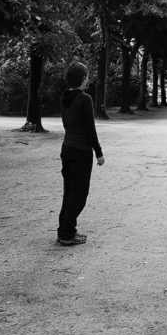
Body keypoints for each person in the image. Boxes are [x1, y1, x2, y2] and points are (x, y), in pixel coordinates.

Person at [57, 62, 105, 246]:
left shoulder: (65, 97)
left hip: (67, 148)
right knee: (79, 195)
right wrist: (99, 153)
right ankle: (67, 234)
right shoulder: (85, 99)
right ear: (82, 79)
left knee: (69, 192)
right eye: (86, 76)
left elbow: (67, 123)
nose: (88, 79)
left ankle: (65, 230)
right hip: (81, 151)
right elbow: (89, 129)